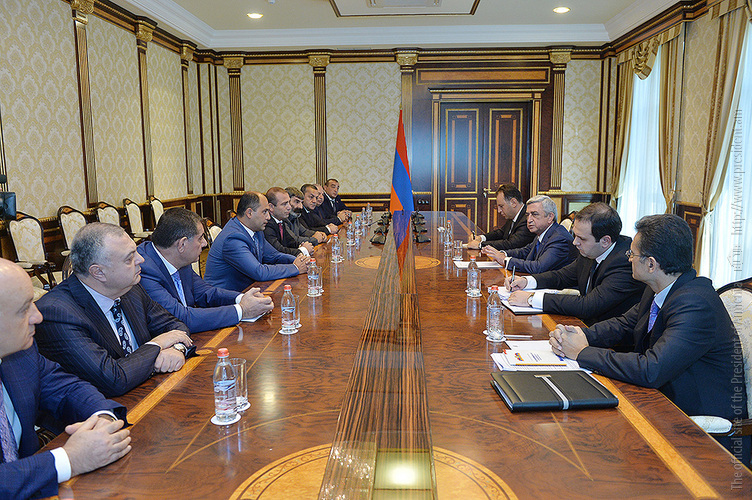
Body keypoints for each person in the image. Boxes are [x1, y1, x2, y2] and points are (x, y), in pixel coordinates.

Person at [549, 214, 748, 460]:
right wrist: (578, 335)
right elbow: (624, 324)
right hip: (661, 404)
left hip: (700, 435)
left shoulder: (695, 303)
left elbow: (651, 368)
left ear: (651, 264)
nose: (628, 258)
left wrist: (582, 352)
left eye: (632, 254)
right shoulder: (663, 288)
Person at [0, 259, 132, 499]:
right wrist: (68, 460)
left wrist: (102, 418)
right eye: (23, 309)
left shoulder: (21, 352)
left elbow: (67, 389)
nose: (38, 316)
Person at [35, 223, 192, 398]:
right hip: (102, 409)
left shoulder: (130, 289)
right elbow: (113, 380)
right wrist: (156, 346)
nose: (141, 259)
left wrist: (177, 348)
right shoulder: (57, 313)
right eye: (129, 258)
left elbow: (175, 327)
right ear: (98, 272)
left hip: (149, 392)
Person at [137, 208, 274, 333]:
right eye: (200, 238)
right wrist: (242, 310)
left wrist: (243, 298)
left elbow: (206, 293)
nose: (204, 244)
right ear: (182, 244)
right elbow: (180, 318)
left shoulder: (178, 258)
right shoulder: (145, 270)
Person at [505, 203, 645, 325]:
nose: (575, 242)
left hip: (610, 338)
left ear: (605, 241)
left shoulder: (625, 262)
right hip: (585, 325)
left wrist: (531, 299)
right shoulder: (590, 250)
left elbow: (588, 306)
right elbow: (562, 276)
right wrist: (526, 281)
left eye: (581, 238)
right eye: (575, 235)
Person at [204, 191, 309, 291]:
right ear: (249, 213)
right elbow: (259, 272)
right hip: (226, 297)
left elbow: (274, 256)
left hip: (248, 290)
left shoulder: (256, 230)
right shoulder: (233, 238)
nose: (268, 217)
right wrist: (295, 268)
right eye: (264, 212)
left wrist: (300, 261)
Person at [482, 194, 577, 274]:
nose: (529, 220)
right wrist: (502, 254)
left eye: (534, 214)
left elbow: (538, 267)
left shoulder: (559, 238)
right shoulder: (542, 232)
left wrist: (506, 260)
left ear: (550, 217)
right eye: (528, 215)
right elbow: (525, 251)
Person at [467, 184, 534, 250]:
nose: (499, 211)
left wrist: (480, 245)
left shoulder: (527, 218)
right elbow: (501, 233)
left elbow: (511, 244)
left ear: (513, 203)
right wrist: (481, 238)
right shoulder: (513, 215)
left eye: (501, 206)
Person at [264, 187, 316, 257]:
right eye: (284, 204)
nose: (289, 207)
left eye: (288, 202)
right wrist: (303, 250)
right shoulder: (267, 224)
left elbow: (291, 242)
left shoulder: (281, 221)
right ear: (271, 207)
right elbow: (278, 251)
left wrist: (302, 245)